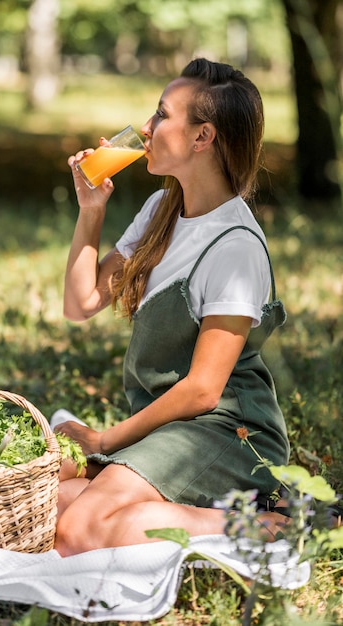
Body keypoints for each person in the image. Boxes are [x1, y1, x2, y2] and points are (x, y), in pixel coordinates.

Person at [53, 57, 290, 557]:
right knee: (50, 504)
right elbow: (81, 302)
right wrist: (90, 211)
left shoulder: (236, 246)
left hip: (226, 434)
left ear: (202, 138)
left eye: (162, 115)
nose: (146, 127)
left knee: (77, 532)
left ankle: (268, 522)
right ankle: (185, 510)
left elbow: (204, 391)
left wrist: (104, 442)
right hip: (169, 427)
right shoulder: (164, 210)